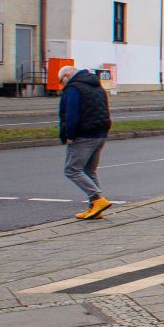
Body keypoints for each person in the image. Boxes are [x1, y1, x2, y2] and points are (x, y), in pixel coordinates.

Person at [58, 65, 113, 219]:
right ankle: (96, 209)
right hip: (100, 134)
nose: (62, 85)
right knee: (90, 171)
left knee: (71, 170)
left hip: (83, 135)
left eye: (62, 81)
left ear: (67, 75)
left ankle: (97, 199)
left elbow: (72, 114)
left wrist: (69, 134)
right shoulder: (96, 85)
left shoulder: (74, 89)